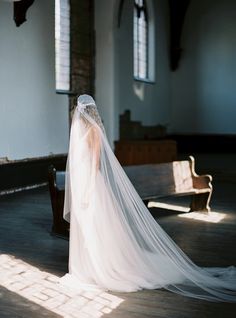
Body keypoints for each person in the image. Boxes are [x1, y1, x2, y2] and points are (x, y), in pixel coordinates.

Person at [59, 94, 236, 302]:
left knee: (95, 225)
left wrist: (88, 189)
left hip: (91, 184)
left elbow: (95, 162)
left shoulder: (94, 131)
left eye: (78, 113)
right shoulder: (80, 130)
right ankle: (86, 265)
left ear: (84, 112)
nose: (76, 117)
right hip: (83, 183)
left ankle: (100, 266)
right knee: (86, 226)